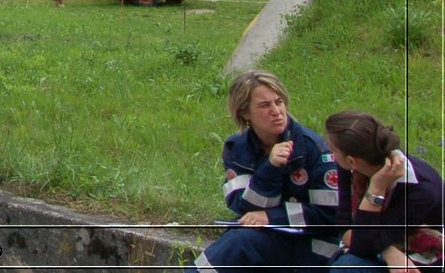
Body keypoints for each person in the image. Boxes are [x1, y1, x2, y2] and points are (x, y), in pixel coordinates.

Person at [190, 70, 342, 271]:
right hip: (265, 237)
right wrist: (270, 168)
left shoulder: (314, 148)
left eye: (279, 102)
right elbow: (244, 206)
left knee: (239, 243)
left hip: (313, 243)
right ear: (245, 112)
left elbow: (329, 216)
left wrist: (272, 217)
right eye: (264, 105)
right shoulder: (237, 150)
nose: (276, 111)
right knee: (235, 244)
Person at [323, 110, 443, 270]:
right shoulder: (350, 168)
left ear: (352, 160)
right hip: (384, 246)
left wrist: (376, 188)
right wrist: (388, 253)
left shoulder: (421, 191)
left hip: (428, 253)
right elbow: (345, 226)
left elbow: (362, 243)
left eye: (333, 150)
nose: (332, 155)